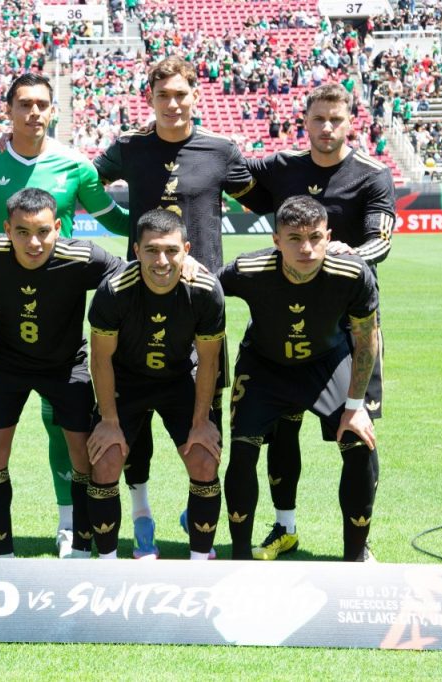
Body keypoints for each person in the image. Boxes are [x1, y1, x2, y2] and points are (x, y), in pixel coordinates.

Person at [0, 73, 128, 558]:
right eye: (24, 104)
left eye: (42, 103)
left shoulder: (76, 166)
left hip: (60, 322)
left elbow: (115, 221)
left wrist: (168, 230)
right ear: (8, 110)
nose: (34, 112)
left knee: (59, 423)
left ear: (53, 110)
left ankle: (69, 524)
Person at [92, 55, 262, 558]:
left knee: (203, 429)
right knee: (133, 428)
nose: (172, 104)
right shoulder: (130, 147)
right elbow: (83, 181)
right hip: (141, 295)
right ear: (149, 99)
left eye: (181, 94)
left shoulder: (220, 151)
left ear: (195, 96)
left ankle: (197, 507)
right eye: (162, 95)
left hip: (199, 302)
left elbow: (266, 197)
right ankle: (141, 511)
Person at [243, 83, 395, 561]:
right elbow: (225, 171)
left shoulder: (372, 174)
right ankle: (284, 528)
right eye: (319, 119)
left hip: (351, 326)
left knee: (357, 436)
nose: (327, 128)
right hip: (285, 321)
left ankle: (358, 545)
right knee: (281, 430)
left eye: (336, 119)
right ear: (305, 122)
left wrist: (349, 254)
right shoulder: (282, 166)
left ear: (351, 122)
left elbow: (382, 241)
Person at [0, 188, 122, 557]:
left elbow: (128, 275)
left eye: (43, 231)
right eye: (23, 232)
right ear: (6, 230)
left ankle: (80, 547)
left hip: (66, 365)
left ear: (57, 227)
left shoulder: (82, 255)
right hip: (6, 363)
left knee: (82, 455)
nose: (34, 242)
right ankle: (3, 552)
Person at [219, 196, 380, 562]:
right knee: (242, 452)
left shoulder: (352, 273)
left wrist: (355, 406)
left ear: (328, 237)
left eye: (315, 237)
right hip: (264, 366)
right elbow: (205, 290)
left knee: (359, 443)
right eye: (294, 238)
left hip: (326, 364)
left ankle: (356, 557)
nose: (306, 248)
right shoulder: (249, 268)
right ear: (276, 240)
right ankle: (241, 558)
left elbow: (367, 337)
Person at [86, 209, 225, 560]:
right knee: (105, 460)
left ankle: (198, 564)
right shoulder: (114, 290)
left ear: (186, 250)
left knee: (204, 459)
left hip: (179, 379)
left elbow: (209, 361)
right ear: (136, 250)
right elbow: (100, 359)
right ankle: (107, 566)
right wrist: (109, 421)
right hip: (126, 380)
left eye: (171, 250)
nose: (161, 261)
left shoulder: (206, 290)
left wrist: (201, 421)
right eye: (151, 250)